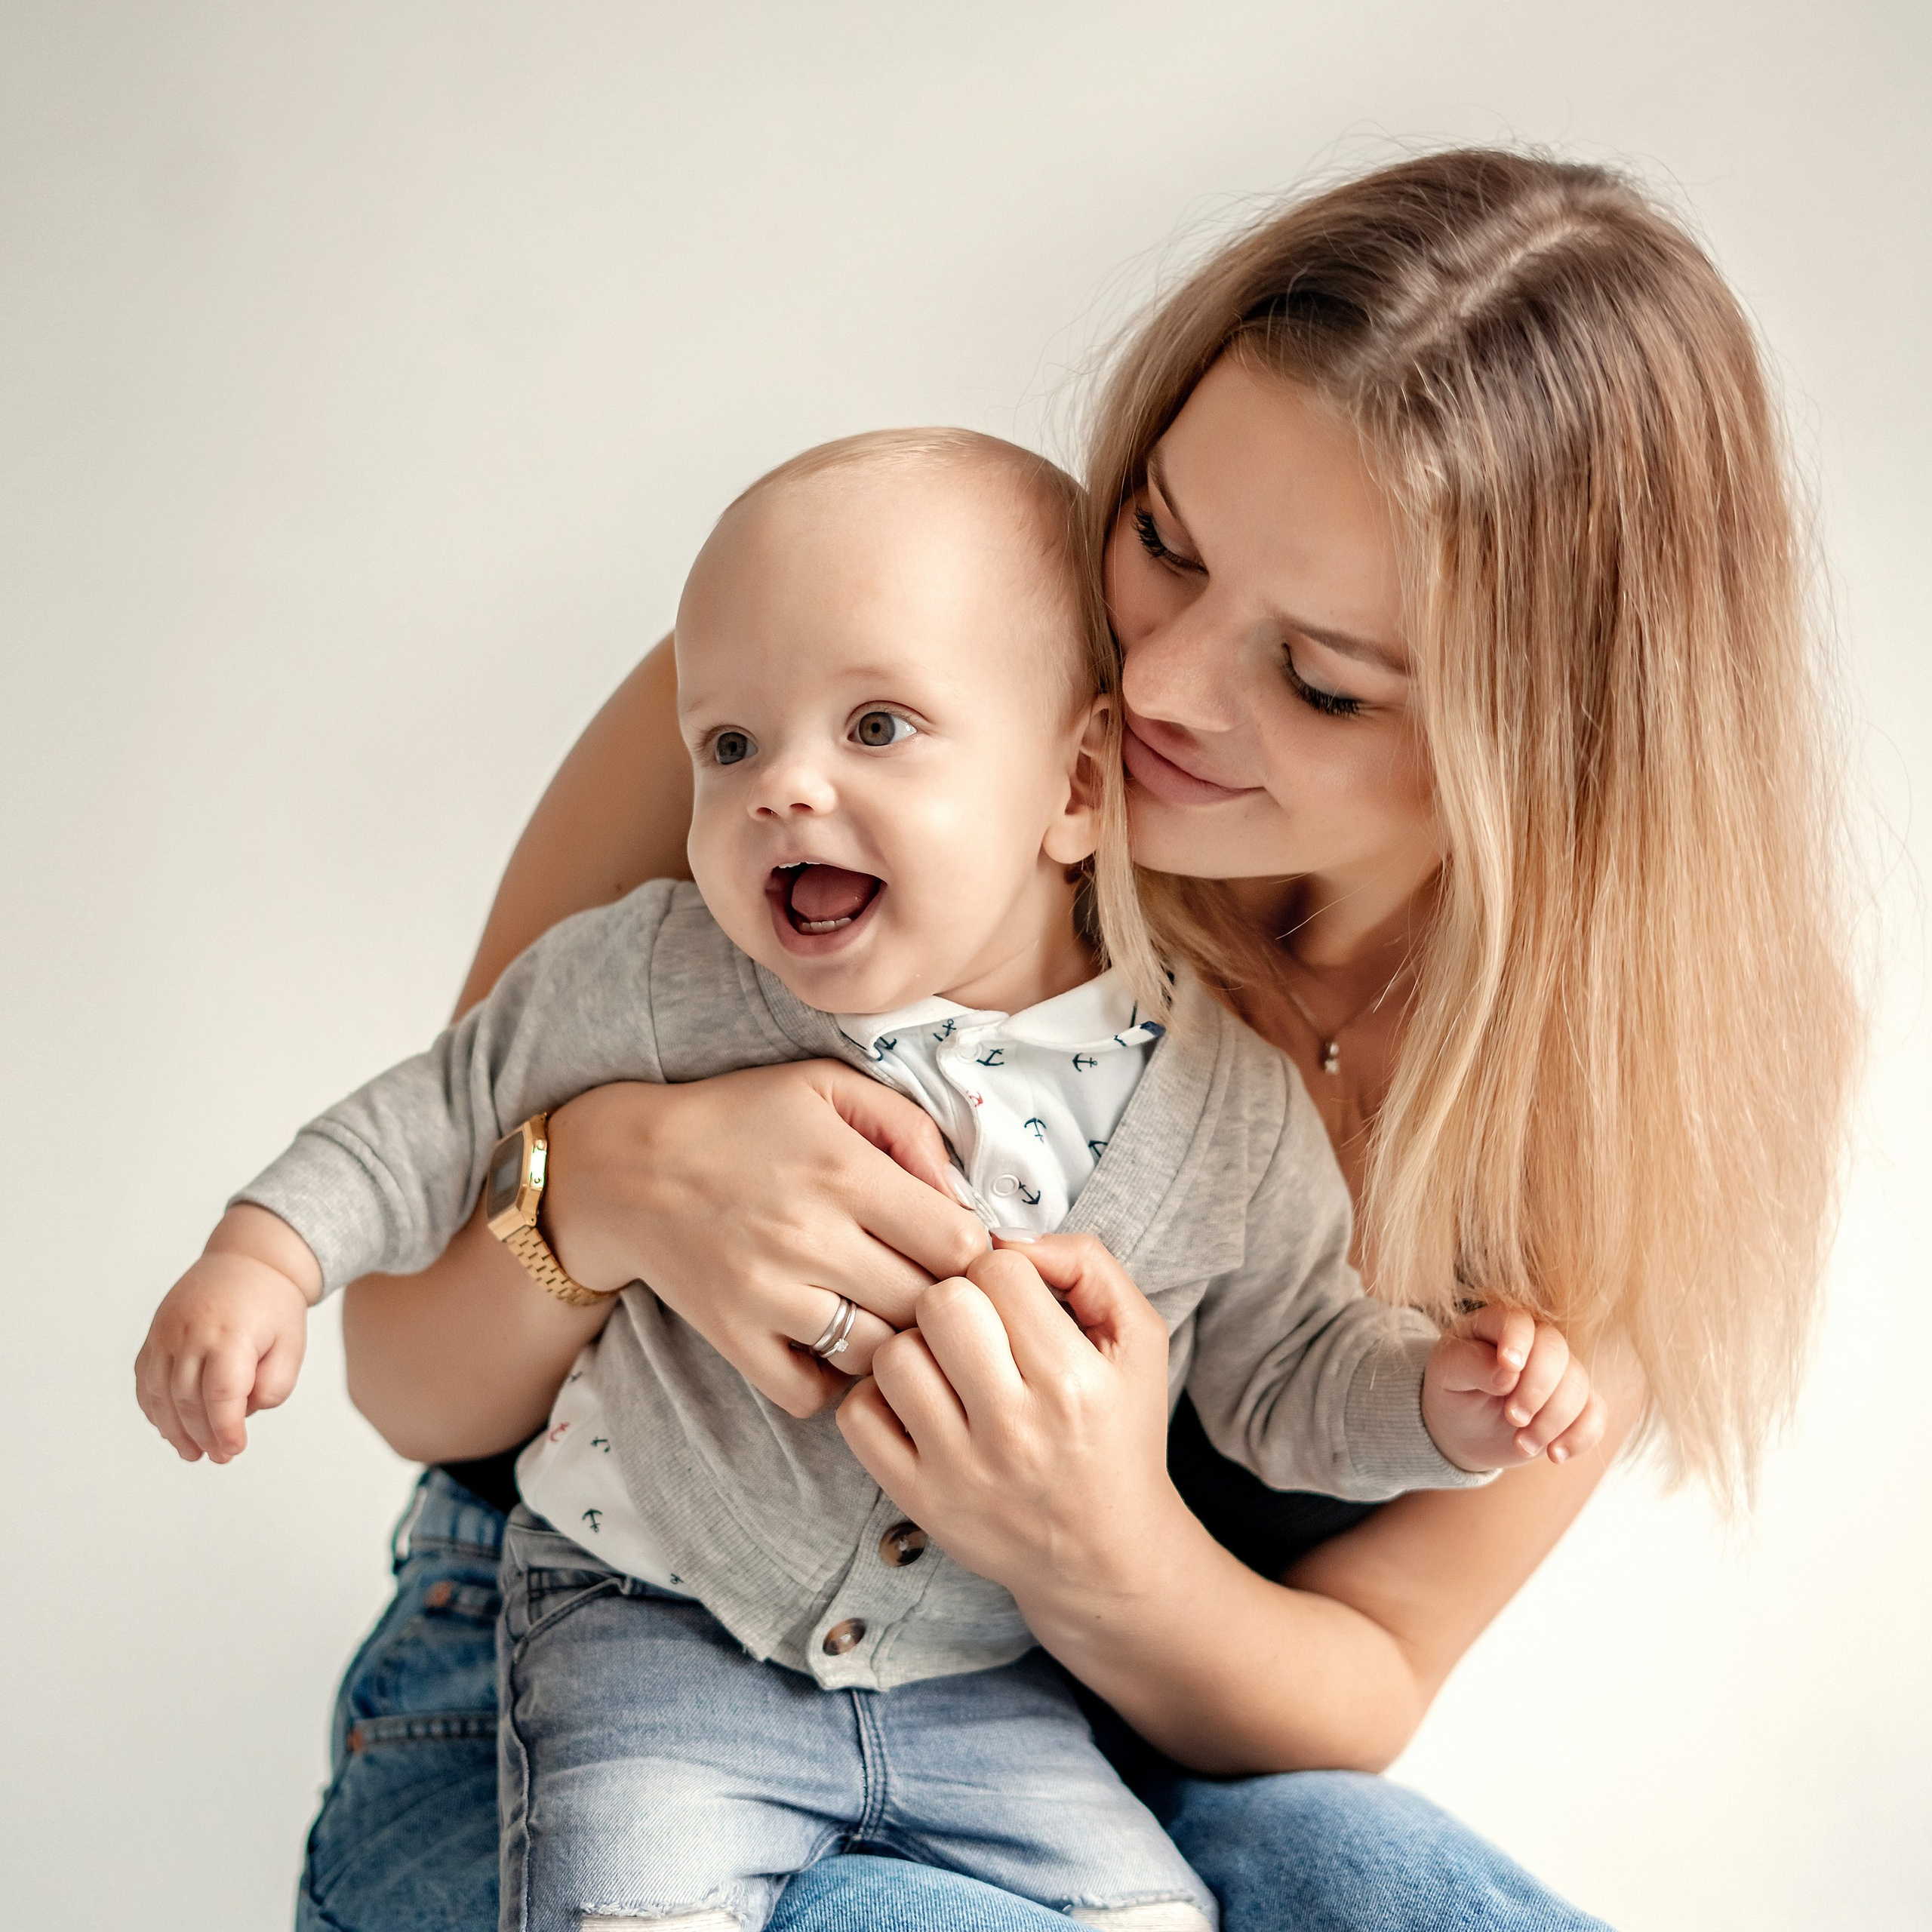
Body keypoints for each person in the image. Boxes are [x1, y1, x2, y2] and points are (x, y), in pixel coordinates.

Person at [150, 147, 1854, 1930]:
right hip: (578, 1691)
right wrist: (614, 1188)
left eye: (1322, 678)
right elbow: (403, 1379)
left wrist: (1095, 1539)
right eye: (1164, 543)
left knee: (1389, 1878)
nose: (1167, 686)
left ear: (1550, 739)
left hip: (1043, 1741)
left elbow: (1363, 1681)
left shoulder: (1638, 1079)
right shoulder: (822, 728)